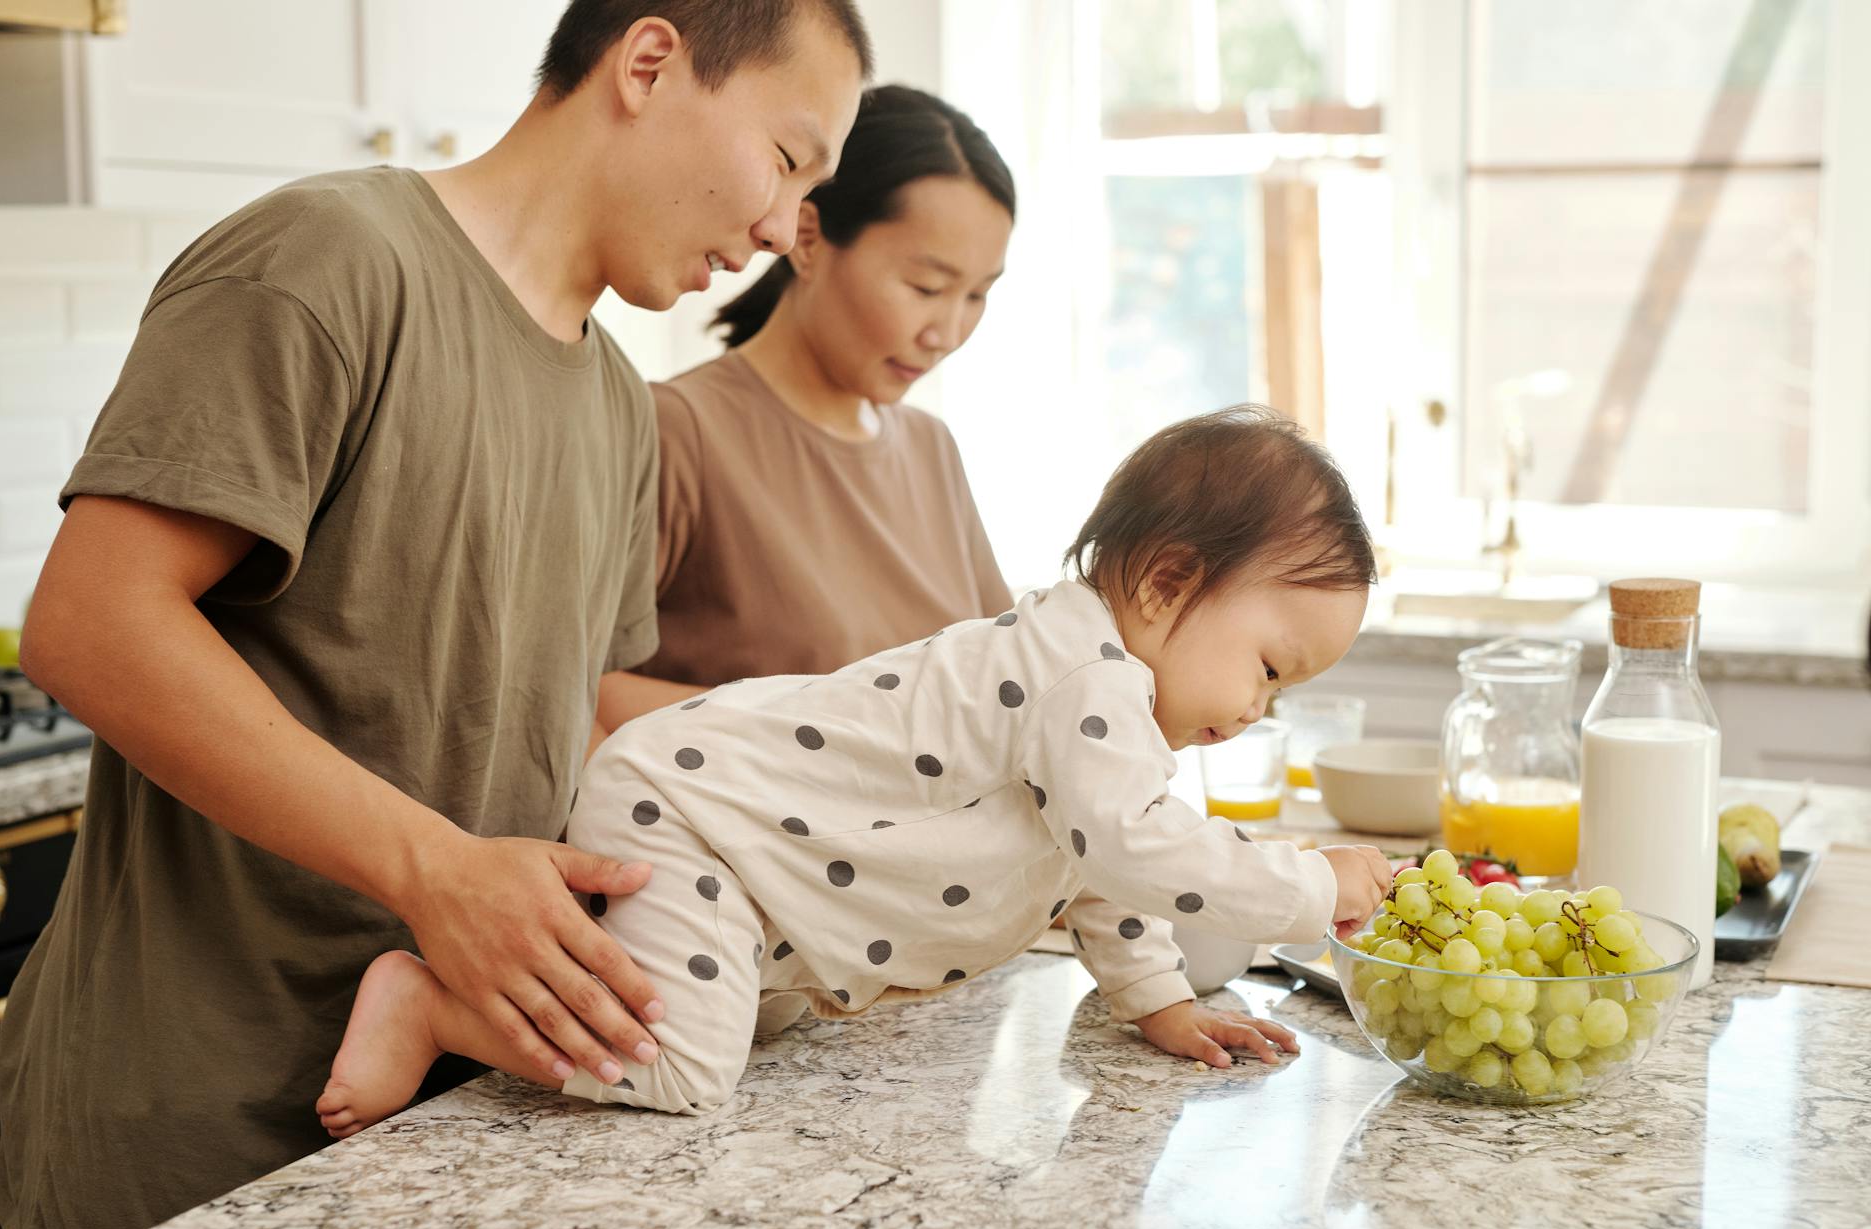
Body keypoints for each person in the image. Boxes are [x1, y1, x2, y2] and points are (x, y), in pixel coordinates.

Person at [0, 3, 870, 1229]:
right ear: (648, 62)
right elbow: (88, 625)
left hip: (440, 1129)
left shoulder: (620, 406)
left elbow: (557, 723)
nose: (789, 231)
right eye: (789, 162)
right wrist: (434, 871)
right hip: (193, 1131)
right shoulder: (326, 260)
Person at [316, 406, 1395, 1127]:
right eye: (1266, 667)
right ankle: (428, 1006)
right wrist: (1311, 883)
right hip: (694, 814)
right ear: (1165, 583)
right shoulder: (1082, 679)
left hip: (747, 850)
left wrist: (1157, 1000)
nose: (1259, 708)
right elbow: (1135, 843)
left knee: (741, 1019)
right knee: (687, 1069)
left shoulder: (1103, 700)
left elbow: (1100, 867)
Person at [594, 83, 1017, 733]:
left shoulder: (931, 448)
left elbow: (1005, 680)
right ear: (811, 241)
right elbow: (572, 687)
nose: (948, 332)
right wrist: (828, 729)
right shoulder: (680, 431)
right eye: (926, 287)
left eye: (977, 296)